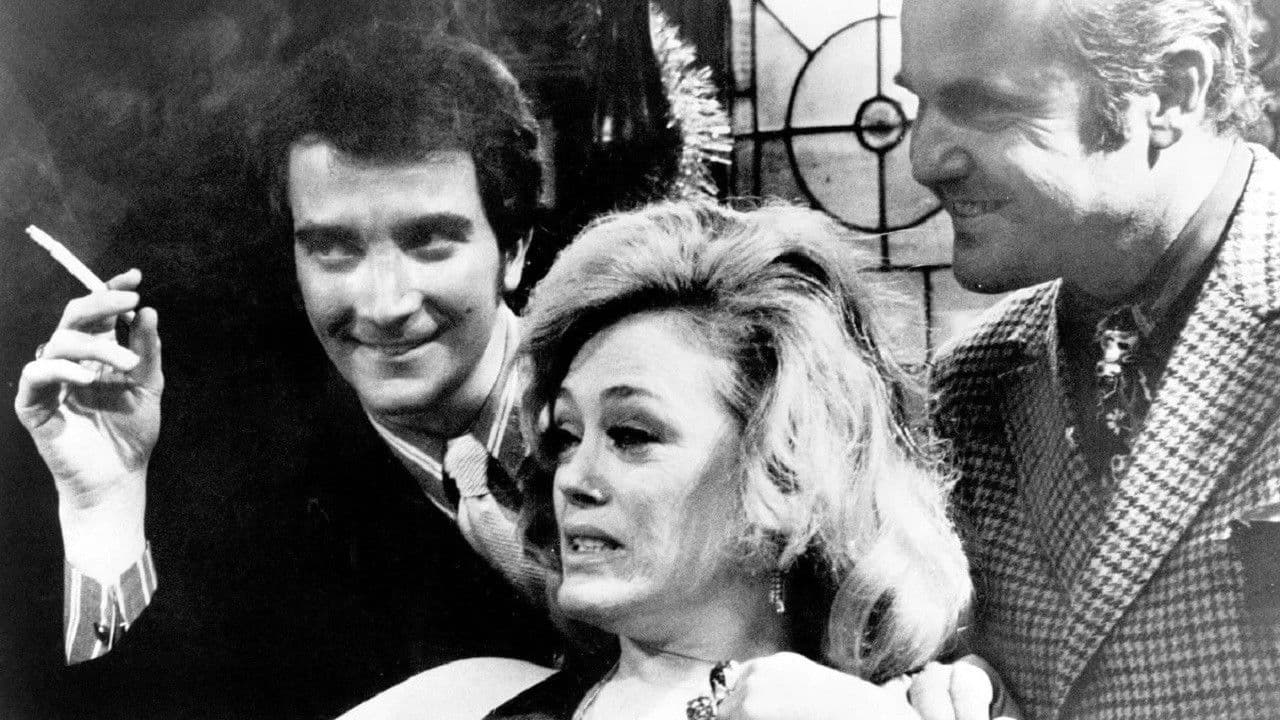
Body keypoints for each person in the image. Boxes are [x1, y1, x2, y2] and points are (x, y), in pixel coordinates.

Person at [14, 25, 557, 718]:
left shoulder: (657, 402)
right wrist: (103, 509)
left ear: (514, 249)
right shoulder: (255, 499)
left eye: (427, 242)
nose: (382, 305)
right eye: (334, 249)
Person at [352, 199, 974, 720]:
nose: (573, 479)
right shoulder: (461, 700)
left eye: (631, 435)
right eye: (565, 436)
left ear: (786, 475)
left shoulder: (900, 712)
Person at [898, 0, 1280, 717]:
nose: (924, 160)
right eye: (920, 103)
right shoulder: (960, 391)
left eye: (984, 105)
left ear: (1170, 92)